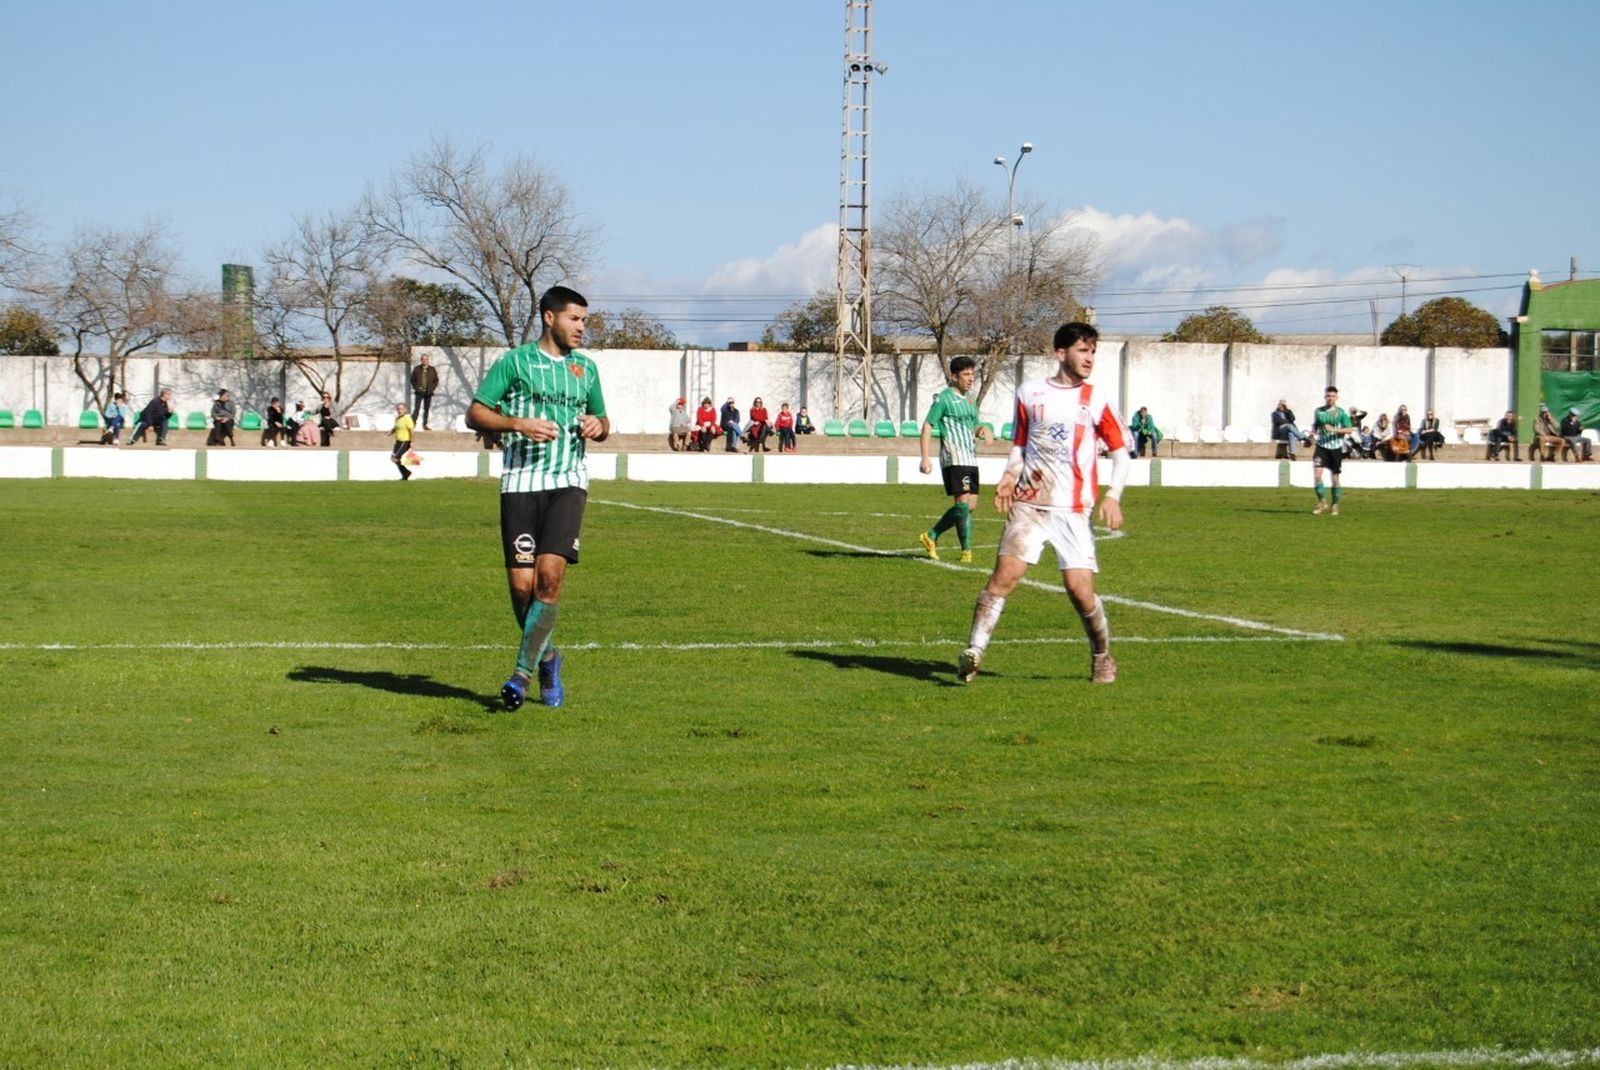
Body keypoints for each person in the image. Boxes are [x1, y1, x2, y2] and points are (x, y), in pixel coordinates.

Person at [958, 322, 1129, 686]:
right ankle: (974, 651)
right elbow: (1021, 442)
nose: (1090, 358)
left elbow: (1121, 454)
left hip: (1072, 510)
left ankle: (1101, 656)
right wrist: (1008, 476)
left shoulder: (1095, 400)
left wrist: (1113, 495)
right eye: (1083, 351)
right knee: (1004, 577)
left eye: (1093, 352)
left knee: (1080, 592)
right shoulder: (1030, 393)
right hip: (1030, 504)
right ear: (1060, 353)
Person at [466, 285, 609, 711]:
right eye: (574, 319)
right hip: (520, 484)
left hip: (568, 481)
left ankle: (520, 676)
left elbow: (604, 420)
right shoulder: (514, 362)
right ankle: (547, 658)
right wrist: (517, 424)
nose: (582, 328)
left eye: (584, 320)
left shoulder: (586, 369)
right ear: (549, 317)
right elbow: (476, 412)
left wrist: (596, 427)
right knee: (521, 587)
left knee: (549, 578)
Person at [918, 355, 991, 564]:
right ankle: (966, 551)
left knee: (970, 506)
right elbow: (927, 426)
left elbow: (973, 427)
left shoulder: (970, 400)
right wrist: (925, 458)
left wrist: (983, 429)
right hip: (954, 457)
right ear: (954, 377)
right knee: (962, 503)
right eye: (966, 375)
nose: (970, 379)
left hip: (970, 458)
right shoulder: (944, 399)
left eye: (972, 374)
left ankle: (931, 535)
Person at [1311, 385, 1355, 515]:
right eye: (1328, 396)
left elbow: (1349, 429)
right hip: (1321, 447)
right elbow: (1316, 425)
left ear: (1337, 398)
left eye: (1333, 396)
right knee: (1317, 475)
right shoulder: (1318, 411)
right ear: (1325, 397)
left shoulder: (1341, 413)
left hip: (1335, 449)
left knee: (1335, 478)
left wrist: (1334, 430)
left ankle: (1334, 504)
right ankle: (1322, 502)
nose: (1330, 398)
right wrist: (1311, 435)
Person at [410, 354, 440, 430]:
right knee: (417, 408)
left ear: (428, 360)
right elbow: (412, 379)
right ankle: (413, 423)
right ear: (421, 360)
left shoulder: (432, 369)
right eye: (423, 359)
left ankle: (425, 425)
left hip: (428, 393)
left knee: (426, 409)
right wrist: (416, 388)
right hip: (419, 392)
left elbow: (436, 380)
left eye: (426, 359)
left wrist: (432, 389)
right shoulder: (417, 369)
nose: (424, 360)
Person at [391, 401, 415, 480]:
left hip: (405, 441)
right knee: (393, 458)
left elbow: (411, 430)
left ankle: (406, 473)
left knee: (395, 458)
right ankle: (406, 473)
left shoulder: (407, 419)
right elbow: (395, 428)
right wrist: (389, 433)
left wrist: (412, 441)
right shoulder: (397, 419)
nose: (399, 411)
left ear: (405, 410)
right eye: (398, 409)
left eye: (401, 409)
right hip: (398, 442)